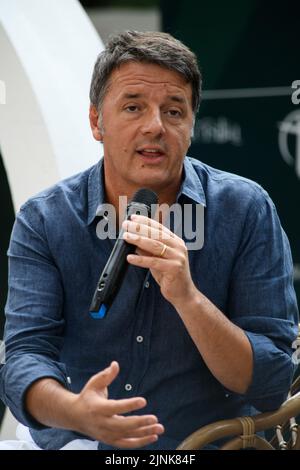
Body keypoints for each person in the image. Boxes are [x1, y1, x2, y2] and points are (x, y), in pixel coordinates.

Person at [0, 31, 299, 451]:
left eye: (174, 111)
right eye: (133, 107)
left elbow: (270, 382)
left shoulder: (246, 209)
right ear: (95, 122)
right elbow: (24, 358)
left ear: (192, 125)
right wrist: (75, 410)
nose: (155, 126)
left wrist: (189, 298)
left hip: (202, 445)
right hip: (79, 443)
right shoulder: (45, 218)